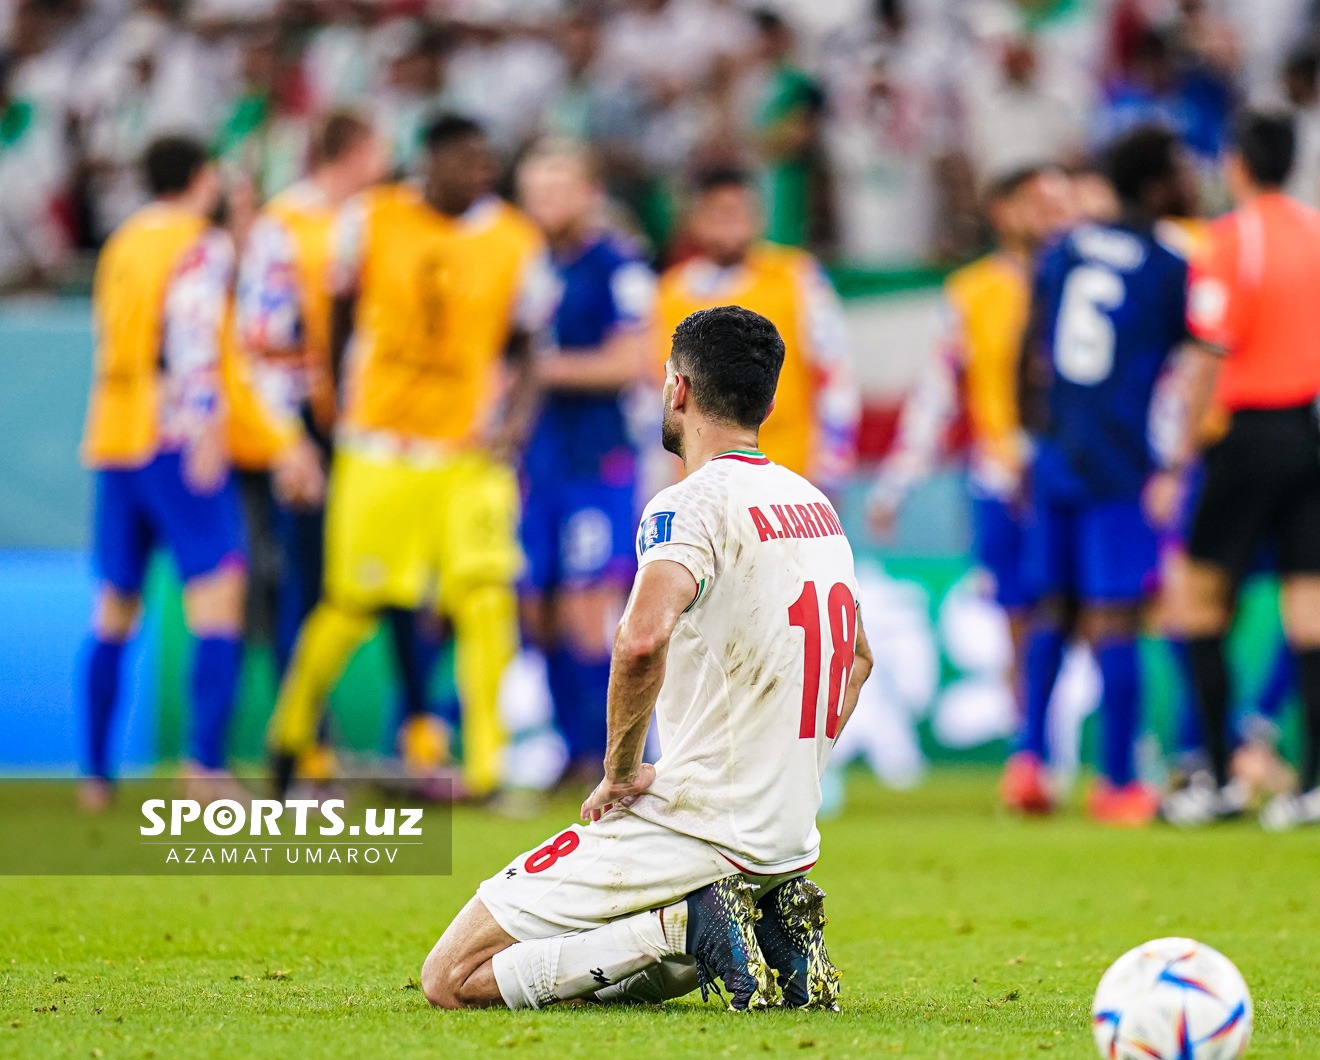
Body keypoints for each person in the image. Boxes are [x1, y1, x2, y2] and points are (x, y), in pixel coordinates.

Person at [420, 306, 873, 1012]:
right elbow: (858, 662)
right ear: (770, 402)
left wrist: (622, 772)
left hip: (694, 825)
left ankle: (685, 926)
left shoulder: (688, 506)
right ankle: (754, 919)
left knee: (451, 977)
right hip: (786, 838)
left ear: (678, 391)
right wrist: (785, 771)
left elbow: (639, 638)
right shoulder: (816, 505)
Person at [266, 114, 558, 800]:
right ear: (429, 161)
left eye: (488, 160)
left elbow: (530, 344)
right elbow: (336, 311)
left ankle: (487, 768)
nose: (480, 172)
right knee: (351, 603)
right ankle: (289, 735)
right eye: (465, 159)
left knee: (486, 600)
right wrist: (336, 405)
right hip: (381, 446)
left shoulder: (516, 241)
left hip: (467, 452)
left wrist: (514, 422)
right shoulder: (370, 219)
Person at [78, 135, 307, 808]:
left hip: (113, 436)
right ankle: (203, 766)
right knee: (219, 595)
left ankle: (94, 774)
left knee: (116, 607)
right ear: (202, 178)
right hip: (174, 437)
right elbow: (195, 337)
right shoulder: (199, 244)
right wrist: (208, 425)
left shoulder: (123, 241)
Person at [1164, 111, 1320, 827]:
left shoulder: (1229, 242)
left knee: (1198, 601)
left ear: (1237, 164)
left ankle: (1221, 778)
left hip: (1252, 433)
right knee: (1312, 614)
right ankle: (1310, 788)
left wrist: (1180, 456)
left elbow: (1208, 355)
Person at [1007, 127, 1193, 824]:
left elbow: (1031, 352)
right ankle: (1117, 779)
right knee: (1116, 615)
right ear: (1154, 184)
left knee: (1051, 607)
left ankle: (1029, 763)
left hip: (1057, 449)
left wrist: (1036, 441)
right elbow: (1191, 360)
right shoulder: (1167, 262)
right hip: (1121, 459)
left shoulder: (1066, 250)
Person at [865, 164, 1073, 720]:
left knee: (1098, 610)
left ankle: (1115, 754)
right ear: (1002, 212)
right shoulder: (972, 293)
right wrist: (896, 485)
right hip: (1002, 478)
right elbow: (937, 395)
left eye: (1061, 202)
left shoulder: (1085, 281)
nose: (1053, 215)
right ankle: (1031, 753)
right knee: (1017, 618)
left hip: (1079, 474)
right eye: (1037, 202)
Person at [515, 139, 657, 782]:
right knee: (536, 612)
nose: (543, 203)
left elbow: (632, 361)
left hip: (597, 461)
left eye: (556, 189)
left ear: (587, 193)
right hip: (534, 462)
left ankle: (625, 758)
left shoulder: (616, 266)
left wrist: (534, 372)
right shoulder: (521, 262)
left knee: (585, 611)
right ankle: (575, 751)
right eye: (534, 191)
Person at [236, 111, 385, 714]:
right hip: (305, 421)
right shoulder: (286, 224)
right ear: (353, 151)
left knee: (372, 577)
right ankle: (303, 742)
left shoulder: (378, 217)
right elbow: (262, 335)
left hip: (365, 423)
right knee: (299, 576)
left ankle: (412, 733)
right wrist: (287, 440)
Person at [653, 166, 857, 488]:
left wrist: (833, 464)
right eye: (719, 213)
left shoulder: (795, 278)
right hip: (700, 481)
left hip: (787, 470)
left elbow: (835, 369)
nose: (731, 223)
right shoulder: (670, 294)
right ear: (695, 220)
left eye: (739, 212)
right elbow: (657, 391)